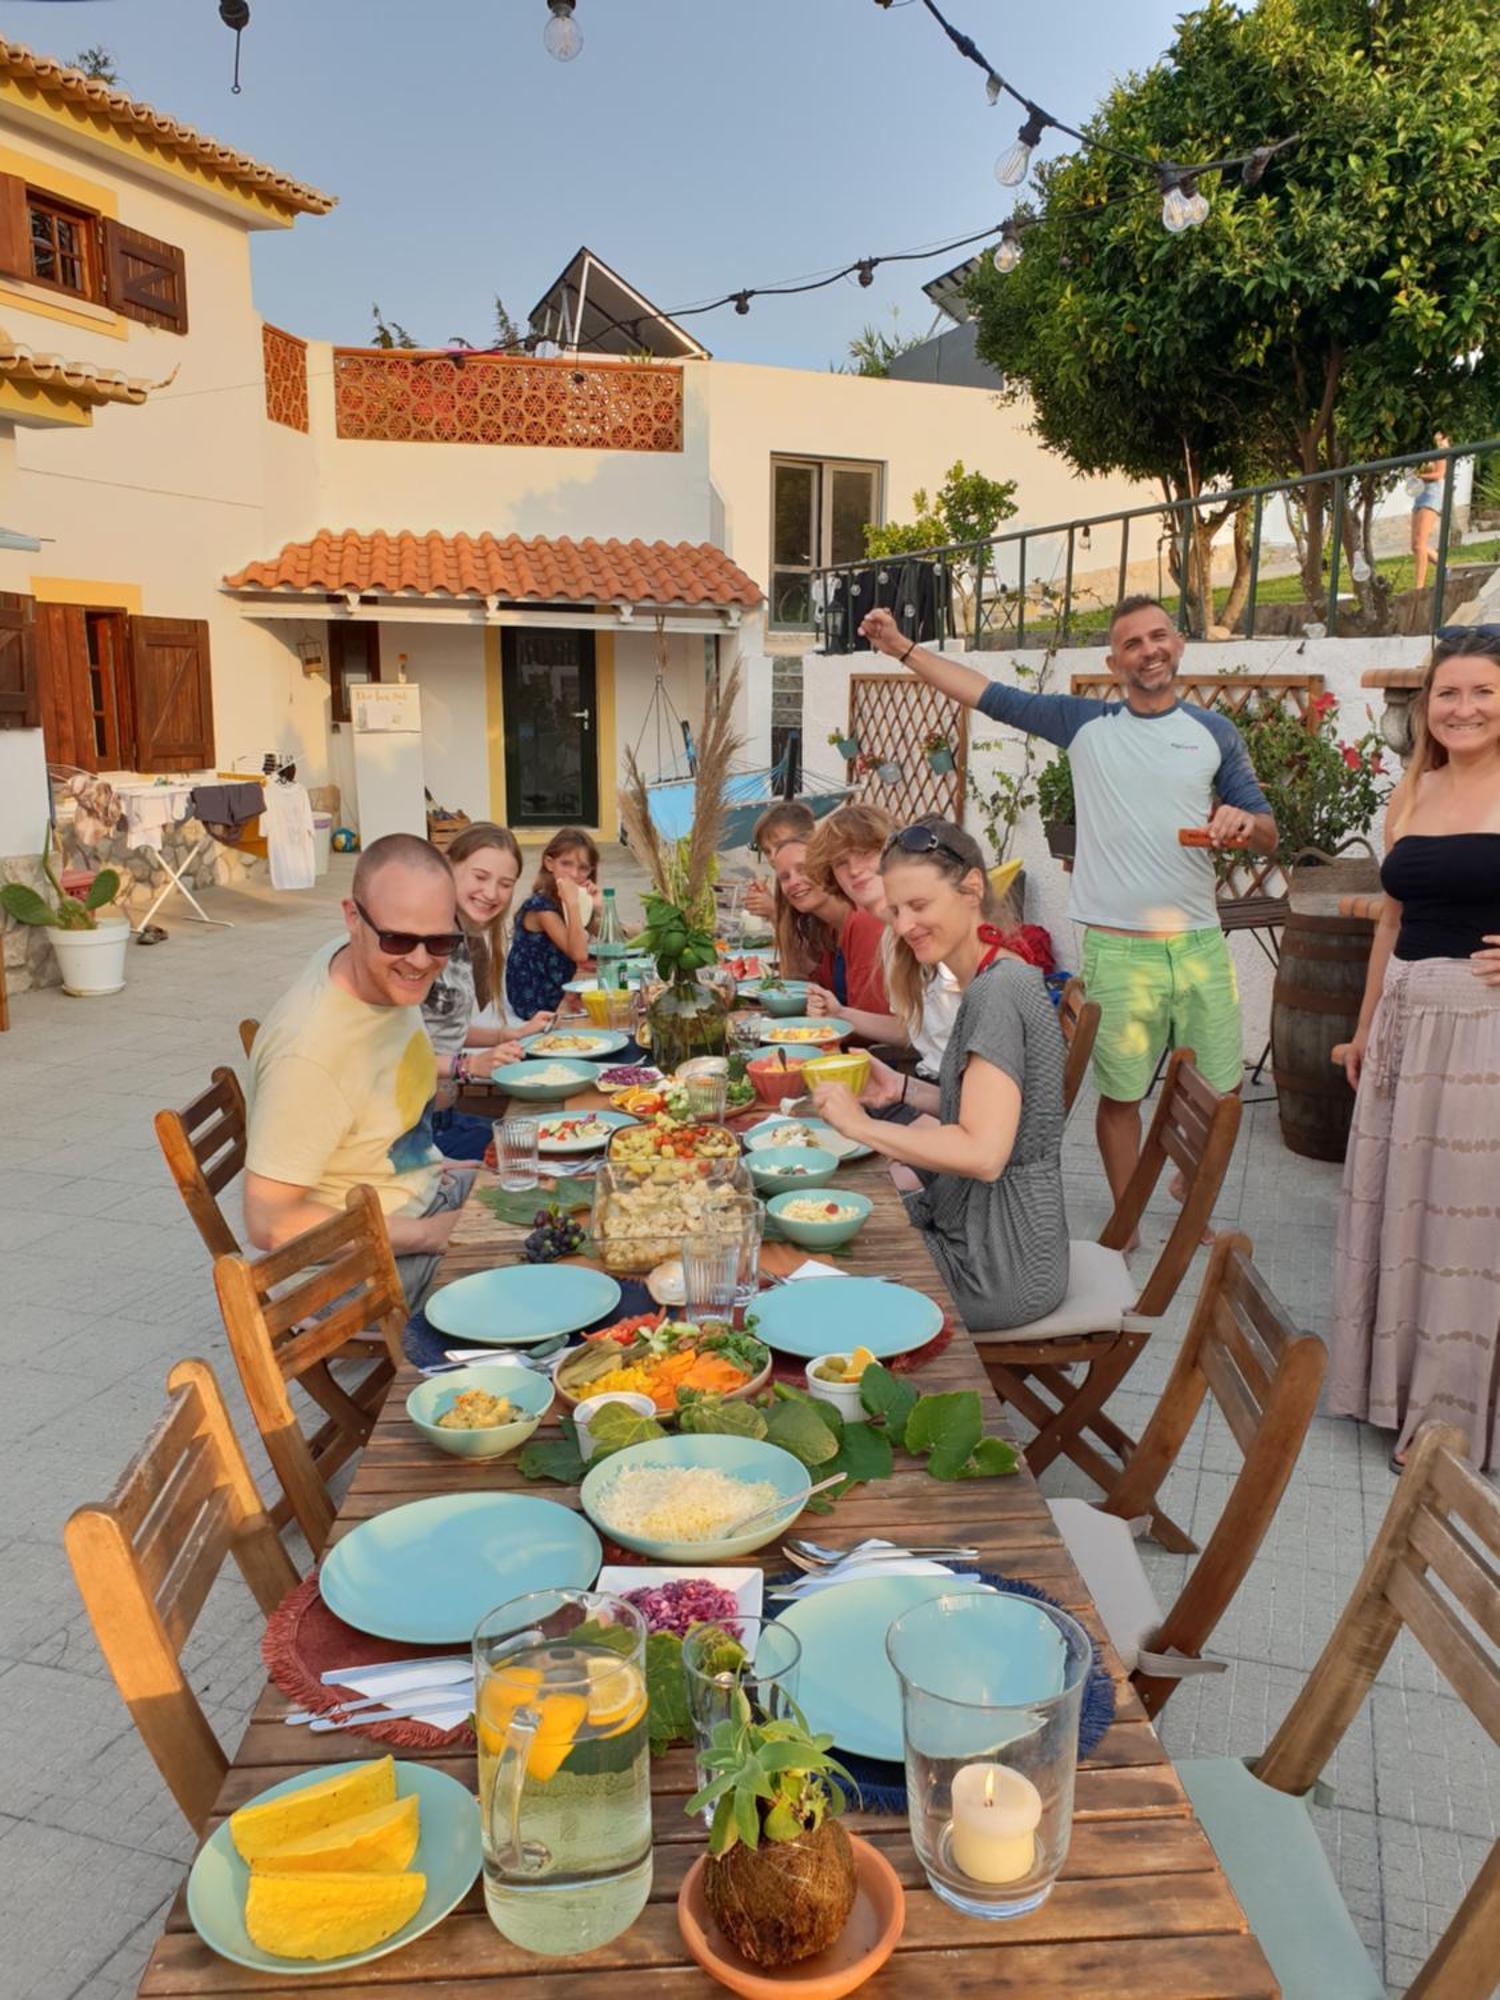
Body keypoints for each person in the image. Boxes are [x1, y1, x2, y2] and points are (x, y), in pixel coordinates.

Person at [858, 597, 1277, 1207]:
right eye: (1132, 643)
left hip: (1199, 944)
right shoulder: (1085, 725)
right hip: (1117, 946)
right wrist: (903, 650)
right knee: (1122, 1096)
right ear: (1114, 662)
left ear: (1180, 644)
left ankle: (1193, 1186)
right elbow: (988, 694)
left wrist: (1245, 824)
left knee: (1223, 1095)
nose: (1149, 650)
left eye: (1159, 636)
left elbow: (1268, 833)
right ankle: (1128, 1217)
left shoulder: (1214, 733)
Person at [1330, 633, 1500, 1472]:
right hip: (1405, 1015)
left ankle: (1452, 1418)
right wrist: (1364, 1029)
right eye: (1447, 694)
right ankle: (1392, 1388)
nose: (1463, 708)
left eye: (1483, 692)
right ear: (1426, 706)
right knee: (1406, 1207)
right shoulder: (1415, 786)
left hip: (1485, 1025)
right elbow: (1390, 923)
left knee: (1467, 1220)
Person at [807, 817, 1068, 1330]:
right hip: (995, 1237)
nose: (903, 926)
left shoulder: (997, 991)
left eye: (919, 906)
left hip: (996, 1267)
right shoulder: (991, 974)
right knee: (831, 1235)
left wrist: (858, 1127)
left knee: (814, 1278)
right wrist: (901, 1089)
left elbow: (983, 1154)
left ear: (971, 889)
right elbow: (987, 1115)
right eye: (898, 909)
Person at [244, 832, 474, 1310]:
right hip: (355, 1271)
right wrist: (430, 1233)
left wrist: (440, 1167)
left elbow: (378, 1126)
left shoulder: (367, 968)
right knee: (549, 1277)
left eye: (440, 941)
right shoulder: (309, 1054)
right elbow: (268, 1222)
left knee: (570, 1192)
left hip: (420, 1197)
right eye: (398, 939)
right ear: (353, 917)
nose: (418, 961)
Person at [421, 822, 550, 1162]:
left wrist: (512, 1033)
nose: (492, 893)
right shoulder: (419, 947)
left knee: (547, 1134)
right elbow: (389, 1055)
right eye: (480, 877)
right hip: (414, 1138)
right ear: (448, 867)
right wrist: (470, 1065)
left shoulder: (464, 939)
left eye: (505, 884)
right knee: (538, 1156)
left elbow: (443, 1029)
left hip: (445, 1119)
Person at [800, 804, 905, 1043]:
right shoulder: (890, 933)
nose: (855, 870)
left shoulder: (913, 927)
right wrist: (839, 1013)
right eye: (840, 863)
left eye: (866, 852)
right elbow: (913, 1031)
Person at [772, 837, 890, 1024]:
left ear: (827, 870)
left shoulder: (863, 922)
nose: (794, 881)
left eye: (803, 869)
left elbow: (872, 1017)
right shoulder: (827, 927)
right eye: (784, 877)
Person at [505, 827, 600, 1020]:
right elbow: (579, 953)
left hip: (559, 983)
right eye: (566, 864)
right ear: (549, 863)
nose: (574, 873)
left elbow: (605, 938)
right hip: (535, 997)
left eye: (583, 868)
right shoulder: (541, 907)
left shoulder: (567, 900)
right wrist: (573, 904)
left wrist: (597, 906)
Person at [744, 799, 816, 922]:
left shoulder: (820, 880)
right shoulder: (785, 881)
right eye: (767, 851)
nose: (773, 857)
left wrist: (773, 912)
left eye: (780, 846)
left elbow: (807, 938)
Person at [1410, 433, 1451, 594]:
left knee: (1420, 543)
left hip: (1431, 495)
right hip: (1420, 495)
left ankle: (1419, 587)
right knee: (1415, 545)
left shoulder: (1441, 449)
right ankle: (1445, 567)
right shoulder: (1426, 448)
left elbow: (1439, 474)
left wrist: (1419, 476)